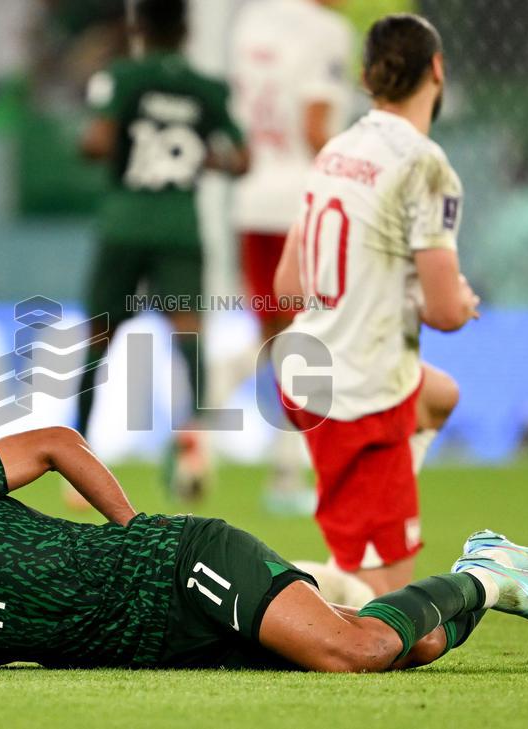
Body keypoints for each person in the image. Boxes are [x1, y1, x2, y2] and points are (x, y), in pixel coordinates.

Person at [0, 426, 528, 671]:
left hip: (175, 565)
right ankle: (488, 581)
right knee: (408, 643)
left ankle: (482, 568)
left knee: (349, 652)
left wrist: (133, 526)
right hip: (167, 649)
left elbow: (61, 443)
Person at [273, 13, 477, 598]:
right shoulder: (425, 165)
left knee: (439, 397)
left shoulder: (336, 149)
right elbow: (443, 312)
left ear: (366, 77)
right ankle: (263, 583)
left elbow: (290, 287)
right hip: (361, 397)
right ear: (436, 70)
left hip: (306, 372)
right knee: (382, 615)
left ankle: (367, 524)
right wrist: (461, 299)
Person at [76, 0, 248, 499]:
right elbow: (242, 158)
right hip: (180, 226)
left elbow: (98, 141)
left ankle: (78, 452)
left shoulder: (122, 78)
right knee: (188, 331)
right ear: (187, 30)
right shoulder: (207, 88)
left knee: (98, 336)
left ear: (139, 27)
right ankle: (194, 451)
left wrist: (107, 145)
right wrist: (200, 159)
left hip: (124, 221)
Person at [226, 0, 355, 515]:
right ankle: (286, 473)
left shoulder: (250, 20)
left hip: (253, 199)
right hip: (303, 201)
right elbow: (315, 124)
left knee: (277, 335)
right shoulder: (327, 30)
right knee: (304, 337)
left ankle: (196, 420)